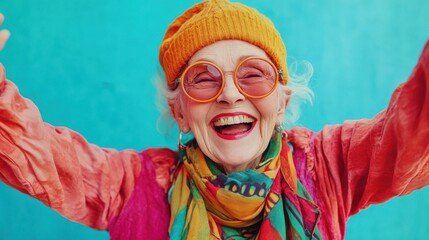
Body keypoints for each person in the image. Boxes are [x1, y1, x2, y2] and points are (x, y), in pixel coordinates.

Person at [0, 0, 428, 239]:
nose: (228, 93)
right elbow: (39, 158)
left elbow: (414, 132)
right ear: (179, 112)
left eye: (253, 75)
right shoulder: (133, 188)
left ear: (282, 101)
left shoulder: (328, 168)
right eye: (202, 80)